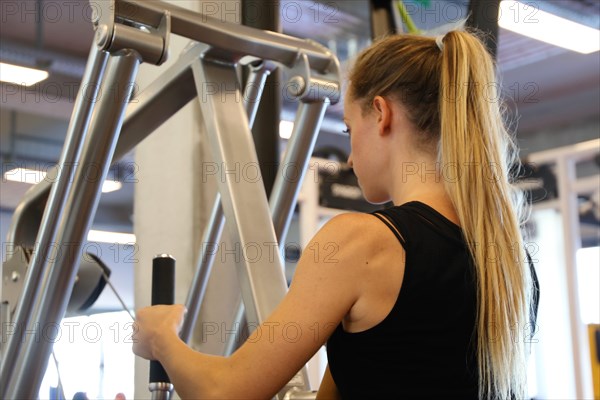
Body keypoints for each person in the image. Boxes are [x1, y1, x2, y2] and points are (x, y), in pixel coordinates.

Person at [133, 29, 539, 399]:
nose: (349, 156)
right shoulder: (512, 263)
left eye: (348, 129)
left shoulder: (361, 243)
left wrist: (162, 339)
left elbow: (224, 392)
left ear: (382, 114)